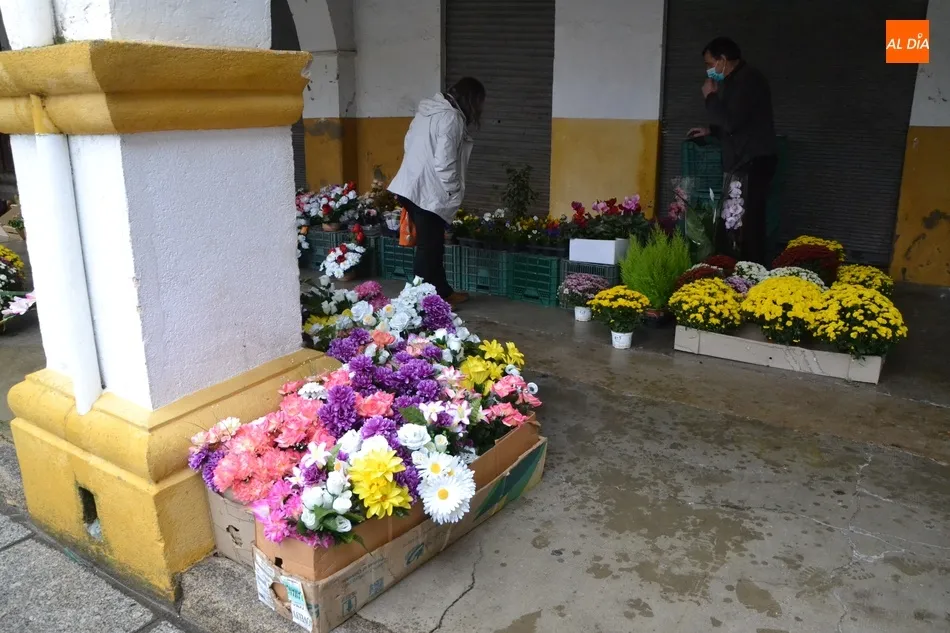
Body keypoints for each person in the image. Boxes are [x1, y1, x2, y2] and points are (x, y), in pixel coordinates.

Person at [388, 77, 486, 306]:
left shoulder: (427, 111)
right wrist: (452, 190)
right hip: (428, 191)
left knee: (433, 244)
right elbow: (445, 162)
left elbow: (408, 141)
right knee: (428, 247)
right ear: (470, 99)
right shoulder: (451, 118)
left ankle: (442, 292)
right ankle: (418, 302)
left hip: (411, 185)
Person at [688, 37, 777, 265]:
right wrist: (710, 130)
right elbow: (735, 124)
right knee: (738, 222)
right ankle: (742, 268)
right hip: (744, 160)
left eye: (710, 64)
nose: (708, 70)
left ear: (723, 60)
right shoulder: (738, 80)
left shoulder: (748, 81)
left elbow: (731, 123)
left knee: (746, 225)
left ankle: (750, 271)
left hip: (751, 162)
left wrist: (710, 97)